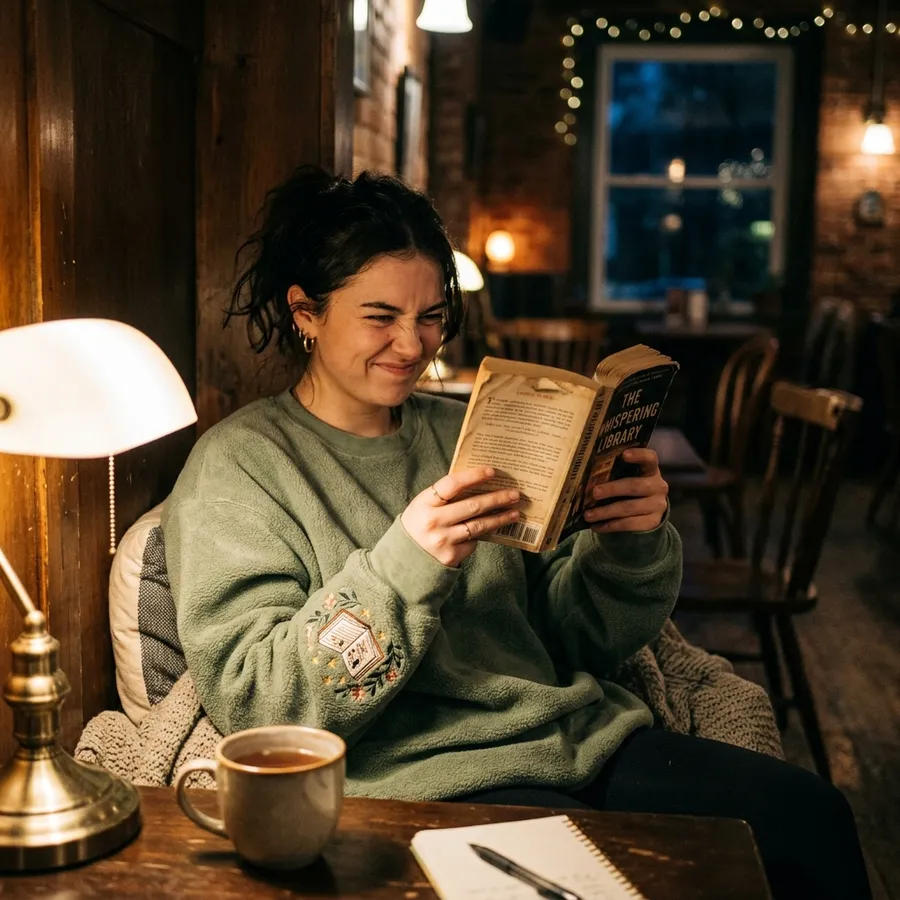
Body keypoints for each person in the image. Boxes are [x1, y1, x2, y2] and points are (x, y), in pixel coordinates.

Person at [161, 166, 871, 899]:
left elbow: (576, 638)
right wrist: (407, 561)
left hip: (581, 737)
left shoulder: (467, 429)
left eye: (432, 316)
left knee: (811, 817)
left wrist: (626, 541)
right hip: (419, 774)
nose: (412, 345)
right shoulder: (240, 466)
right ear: (305, 312)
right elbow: (259, 702)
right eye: (381, 317)